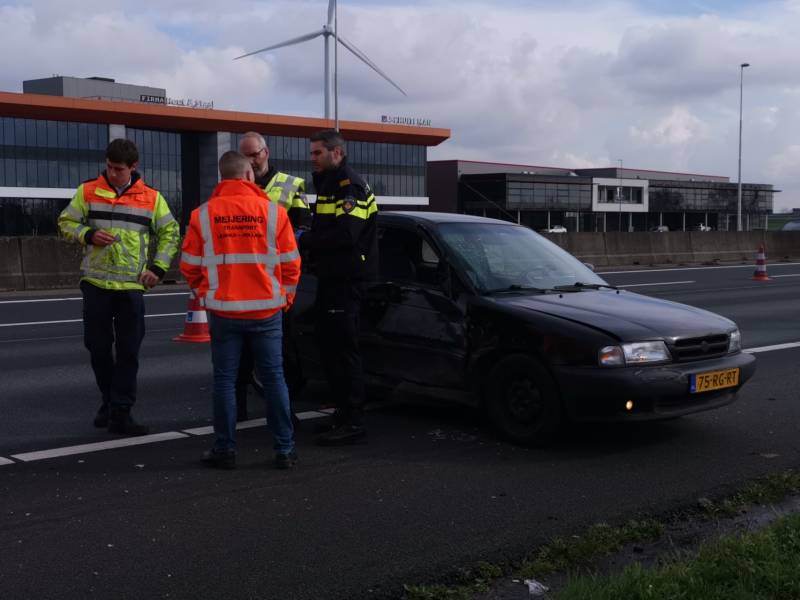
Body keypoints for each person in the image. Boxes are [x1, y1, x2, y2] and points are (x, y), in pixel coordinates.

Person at [180, 151, 301, 470]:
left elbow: (189, 265)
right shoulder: (274, 213)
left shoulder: (202, 215)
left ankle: (225, 449)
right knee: (274, 379)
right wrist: (284, 299)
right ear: (249, 175)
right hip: (266, 312)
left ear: (222, 177)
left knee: (225, 381)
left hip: (224, 312)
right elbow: (291, 264)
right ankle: (285, 449)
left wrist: (206, 294)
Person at [58, 138, 179, 435]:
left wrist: (158, 268)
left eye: (118, 169)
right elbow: (65, 222)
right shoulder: (87, 191)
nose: (112, 173)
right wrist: (88, 234)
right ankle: (110, 402)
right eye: (109, 167)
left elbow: (170, 232)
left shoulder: (151, 197)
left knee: (128, 351)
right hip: (96, 282)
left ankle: (120, 411)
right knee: (97, 349)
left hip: (131, 285)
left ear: (133, 167)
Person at [299, 129, 378, 446]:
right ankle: (343, 414)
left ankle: (354, 420)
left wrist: (304, 239)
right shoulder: (331, 183)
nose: (313, 159)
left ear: (337, 152)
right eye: (312, 153)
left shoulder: (349, 186)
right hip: (332, 278)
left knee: (345, 350)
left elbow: (346, 236)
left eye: (318, 153)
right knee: (331, 348)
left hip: (347, 280)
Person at [235, 132, 311, 421]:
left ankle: (283, 413)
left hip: (275, 280)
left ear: (266, 152)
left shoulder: (291, 185)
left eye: (255, 154)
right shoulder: (232, 187)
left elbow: (303, 229)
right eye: (246, 156)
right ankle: (238, 410)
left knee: (280, 352)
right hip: (241, 280)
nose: (251, 161)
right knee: (238, 354)